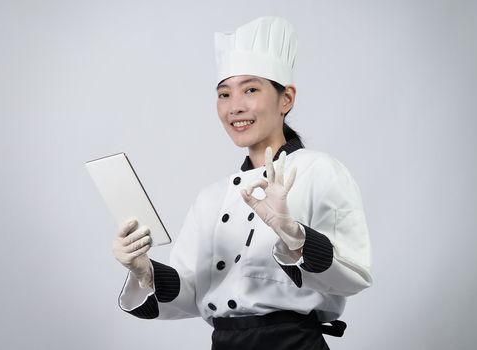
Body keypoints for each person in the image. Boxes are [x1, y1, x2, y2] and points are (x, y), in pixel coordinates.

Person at [109, 16, 372, 349]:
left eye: (250, 89)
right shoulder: (212, 197)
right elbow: (189, 293)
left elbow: (355, 276)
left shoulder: (321, 171)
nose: (235, 107)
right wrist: (144, 271)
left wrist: (296, 237)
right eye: (224, 94)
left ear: (286, 99)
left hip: (292, 343)